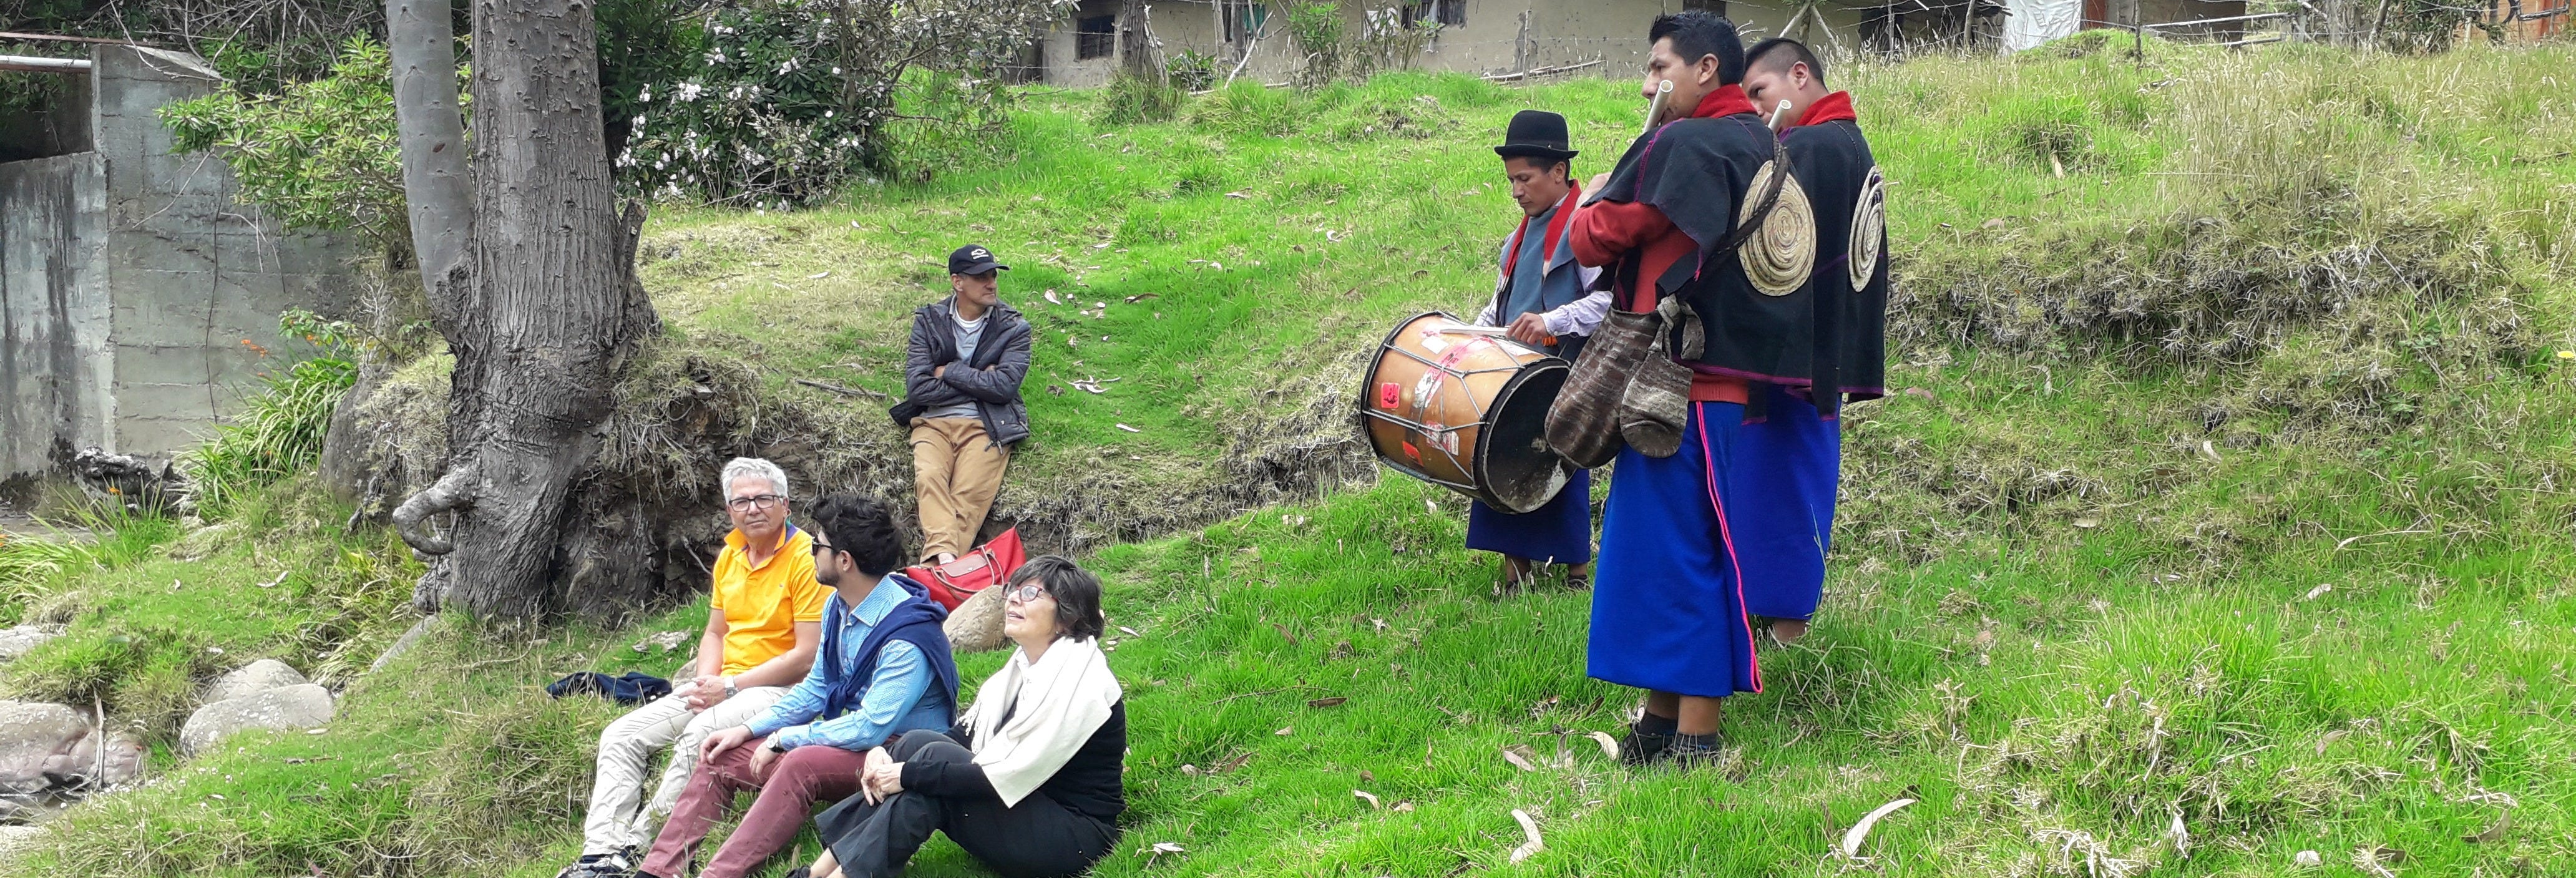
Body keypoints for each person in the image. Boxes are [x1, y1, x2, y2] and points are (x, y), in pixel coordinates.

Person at [1566, 11, 1797, 767]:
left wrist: (1589, 198)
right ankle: (1661, 720)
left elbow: (1599, 238)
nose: (1647, 85)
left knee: (1686, 551)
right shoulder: (1763, 143)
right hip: (1722, 381)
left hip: (1678, 380)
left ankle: (1695, 735)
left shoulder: (1689, 143)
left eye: (1659, 68)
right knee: (1665, 549)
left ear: (1705, 70)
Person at [631, 494, 961, 878]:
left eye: (817, 545)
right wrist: (748, 730)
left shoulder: (907, 639)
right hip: (855, 739)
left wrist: (786, 738)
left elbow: (871, 727)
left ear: (844, 561)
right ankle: (656, 871)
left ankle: (720, 873)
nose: (809, 552)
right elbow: (816, 688)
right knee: (718, 753)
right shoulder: (839, 605)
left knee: (800, 762)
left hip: (896, 753)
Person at [557, 457, 826, 878]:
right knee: (620, 735)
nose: (752, 508)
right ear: (729, 509)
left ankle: (640, 847)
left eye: (763, 499)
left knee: (699, 734)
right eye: (742, 501)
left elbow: (807, 655)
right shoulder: (731, 556)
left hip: (783, 688)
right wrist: (707, 681)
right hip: (728, 683)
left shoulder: (806, 558)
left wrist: (730, 686)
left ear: (786, 505)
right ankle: (600, 856)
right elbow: (715, 633)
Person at [792, 555, 1125, 878]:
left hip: (1074, 836)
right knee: (917, 742)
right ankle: (817, 872)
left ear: (1068, 615)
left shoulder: (1081, 682)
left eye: (1029, 594)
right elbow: (962, 738)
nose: (1011, 601)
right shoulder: (1024, 670)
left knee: (927, 782)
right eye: (1012, 590)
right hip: (1027, 808)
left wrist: (907, 775)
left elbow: (1002, 778)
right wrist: (887, 754)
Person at [1729, 37, 1891, 645]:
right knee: (1786, 483)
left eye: (1760, 93)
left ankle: (1785, 624)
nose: (1755, 109)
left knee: (1784, 486)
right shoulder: (1848, 141)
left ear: (1800, 75)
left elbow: (1778, 253)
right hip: (1817, 358)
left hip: (1792, 364)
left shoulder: (1815, 145)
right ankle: (1774, 616)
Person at [1470, 109, 1611, 591]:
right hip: (1512, 373)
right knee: (1496, 455)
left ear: (1558, 172)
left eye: (1524, 179)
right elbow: (1501, 303)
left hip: (1565, 374)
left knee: (1559, 465)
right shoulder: (1516, 239)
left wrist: (1551, 321)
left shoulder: (1586, 229)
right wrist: (1471, 334)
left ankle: (1575, 571)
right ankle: (1516, 570)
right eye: (1511, 181)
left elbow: (1611, 301)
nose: (1516, 191)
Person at [890, 245, 1033, 567]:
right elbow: (919, 388)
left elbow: (1005, 388)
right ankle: (949, 569)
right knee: (929, 478)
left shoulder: (1014, 327)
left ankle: (937, 568)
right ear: (958, 282)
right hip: (933, 424)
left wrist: (950, 371)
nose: (992, 283)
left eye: (994, 275)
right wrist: (980, 381)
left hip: (986, 426)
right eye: (981, 277)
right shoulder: (929, 322)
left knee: (968, 499)